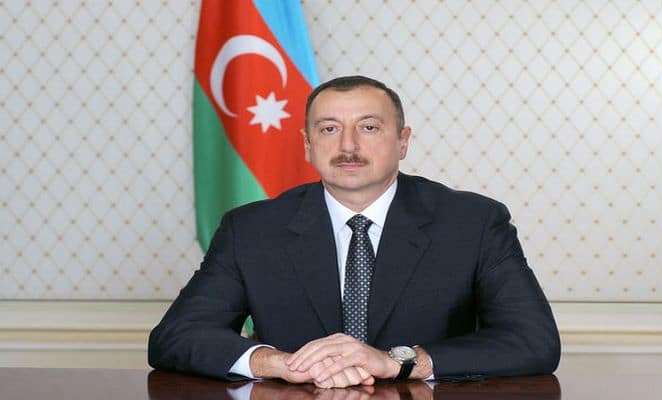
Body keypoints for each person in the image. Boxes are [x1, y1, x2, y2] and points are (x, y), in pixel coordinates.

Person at [148, 75, 560, 388]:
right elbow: (175, 337)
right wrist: (282, 363)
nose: (348, 146)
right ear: (307, 144)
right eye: (329, 129)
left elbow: (534, 341)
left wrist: (399, 361)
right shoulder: (252, 228)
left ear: (402, 141)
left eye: (368, 127)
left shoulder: (472, 221)